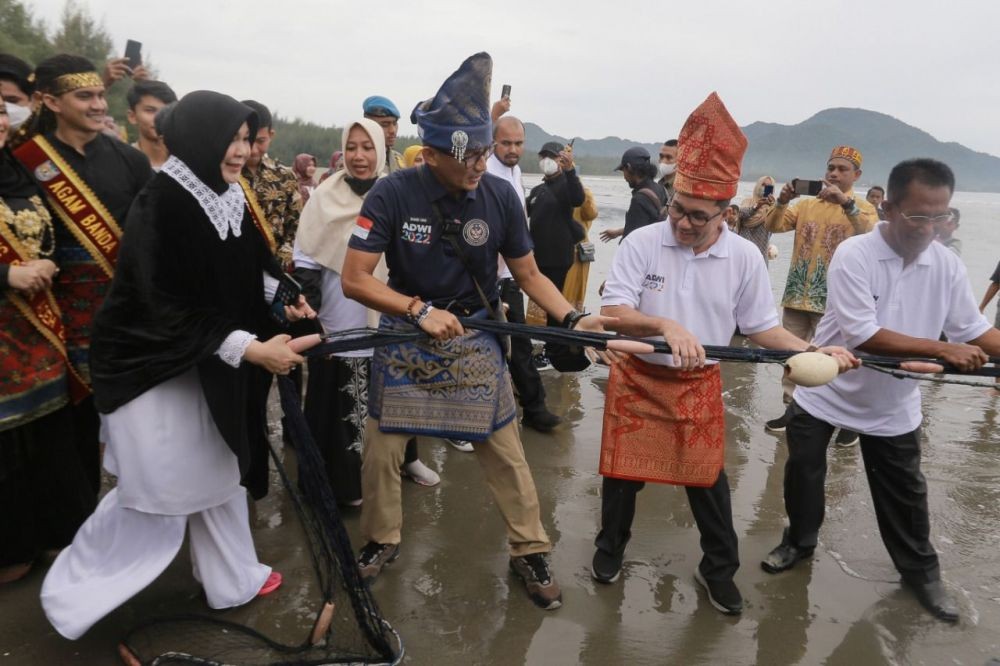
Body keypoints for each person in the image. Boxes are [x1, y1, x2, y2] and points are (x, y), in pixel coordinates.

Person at [40, 90, 315, 640]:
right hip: (151, 366)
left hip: (205, 360)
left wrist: (284, 295)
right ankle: (76, 594)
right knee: (160, 489)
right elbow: (159, 303)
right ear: (195, 138)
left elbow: (242, 269)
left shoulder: (231, 194)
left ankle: (233, 577)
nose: (240, 151)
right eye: (229, 139)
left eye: (245, 139)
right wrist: (249, 348)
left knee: (218, 468)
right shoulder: (160, 200)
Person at [341, 52, 609, 611]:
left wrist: (574, 319)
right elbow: (355, 279)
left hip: (475, 332)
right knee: (381, 448)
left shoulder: (501, 195)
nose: (480, 165)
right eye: (470, 156)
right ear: (430, 153)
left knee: (504, 448)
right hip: (408, 335)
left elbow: (531, 274)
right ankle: (380, 538)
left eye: (486, 152)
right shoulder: (393, 194)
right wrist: (416, 311)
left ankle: (529, 549)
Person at [591, 92, 857, 616]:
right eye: (678, 211)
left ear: (724, 212)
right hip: (640, 374)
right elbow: (613, 311)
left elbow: (761, 329)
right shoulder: (644, 242)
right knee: (622, 475)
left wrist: (813, 349)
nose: (684, 224)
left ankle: (718, 570)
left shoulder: (743, 257)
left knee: (707, 480)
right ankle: (609, 550)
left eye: (698, 216)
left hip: (696, 380)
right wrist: (665, 324)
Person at [760, 158, 1000, 623]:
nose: (929, 227)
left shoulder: (946, 265)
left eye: (940, 216)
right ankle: (798, 543)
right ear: (887, 207)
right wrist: (941, 349)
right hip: (827, 389)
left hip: (892, 403)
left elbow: (971, 327)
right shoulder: (856, 254)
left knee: (905, 495)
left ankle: (922, 575)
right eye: (917, 216)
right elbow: (862, 333)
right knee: (803, 476)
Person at [14, 54, 154, 496]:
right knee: (67, 433)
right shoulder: (24, 160)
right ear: (49, 101)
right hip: (49, 319)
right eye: (85, 96)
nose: (99, 104)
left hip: (119, 316)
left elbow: (146, 236)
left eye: (99, 94)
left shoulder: (128, 161)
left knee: (134, 429)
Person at [294, 118, 439, 504]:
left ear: (381, 150)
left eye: (368, 147)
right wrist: (310, 302)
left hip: (393, 307)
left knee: (399, 391)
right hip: (341, 309)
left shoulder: (398, 193)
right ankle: (343, 485)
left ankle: (407, 461)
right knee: (339, 398)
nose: (360, 156)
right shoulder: (325, 195)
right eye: (353, 147)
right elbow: (305, 250)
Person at [0, 97, 95, 586]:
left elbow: (50, 233)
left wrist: (47, 263)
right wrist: (6, 274)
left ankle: (60, 532)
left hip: (40, 334)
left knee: (52, 440)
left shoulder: (19, 172)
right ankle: (11, 546)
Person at [763, 146, 878, 443]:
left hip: (836, 301)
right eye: (831, 168)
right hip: (797, 294)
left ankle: (846, 421)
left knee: (836, 359)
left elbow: (871, 234)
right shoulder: (806, 205)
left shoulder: (864, 207)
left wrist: (846, 204)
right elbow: (772, 226)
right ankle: (793, 411)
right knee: (792, 355)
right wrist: (782, 202)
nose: (834, 174)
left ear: (857, 175)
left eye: (842, 169)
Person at [486, 114, 562, 433]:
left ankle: (534, 407)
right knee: (484, 346)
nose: (513, 149)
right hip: (485, 277)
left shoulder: (515, 172)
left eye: (518, 143)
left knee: (519, 342)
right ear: (493, 142)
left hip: (512, 275)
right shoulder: (484, 170)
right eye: (506, 143)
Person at [526, 141, 585, 325]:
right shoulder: (537, 190)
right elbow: (521, 213)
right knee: (538, 303)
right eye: (543, 157)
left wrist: (570, 171)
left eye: (551, 157)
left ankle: (556, 347)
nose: (546, 161)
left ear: (560, 160)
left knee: (555, 305)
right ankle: (544, 342)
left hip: (558, 258)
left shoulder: (567, 184)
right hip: (536, 258)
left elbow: (578, 199)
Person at [240, 99, 302, 270]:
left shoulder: (285, 177)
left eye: (260, 141)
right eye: (247, 140)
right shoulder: (224, 174)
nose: (253, 150)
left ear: (271, 136)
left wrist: (282, 260)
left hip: (276, 270)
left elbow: (296, 226)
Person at [599, 147, 668, 243]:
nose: (624, 177)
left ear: (629, 167)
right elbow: (647, 226)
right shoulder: (660, 189)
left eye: (623, 171)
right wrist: (618, 232)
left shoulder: (639, 199)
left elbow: (634, 238)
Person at [126, 79, 177, 171]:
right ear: (132, 116)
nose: (159, 117)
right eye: (150, 110)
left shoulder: (187, 164)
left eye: (166, 110)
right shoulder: (123, 161)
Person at [737, 175, 776, 263]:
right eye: (763, 185)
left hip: (761, 252)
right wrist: (756, 206)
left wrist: (775, 207)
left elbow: (777, 224)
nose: (765, 188)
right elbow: (741, 214)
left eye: (768, 186)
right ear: (758, 185)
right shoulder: (747, 202)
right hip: (743, 251)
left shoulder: (772, 208)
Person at [363, 95, 404, 174]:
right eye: (385, 124)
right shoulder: (357, 162)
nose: (392, 130)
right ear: (368, 126)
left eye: (394, 123)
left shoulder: (399, 159)